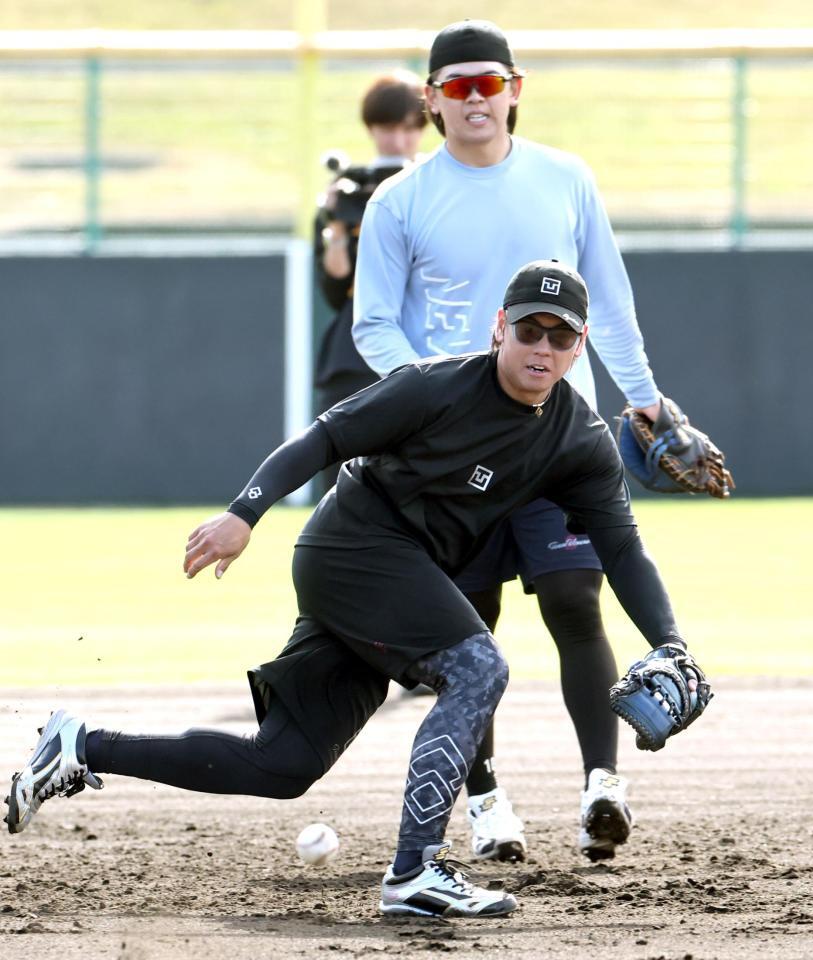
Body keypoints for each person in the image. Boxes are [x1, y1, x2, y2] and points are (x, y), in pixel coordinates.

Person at [5, 260, 695, 920]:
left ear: (578, 347)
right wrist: (244, 513)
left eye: (559, 334)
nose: (541, 346)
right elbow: (324, 438)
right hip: (354, 546)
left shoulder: (578, 437)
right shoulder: (435, 386)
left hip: (392, 577)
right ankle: (415, 870)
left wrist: (671, 643)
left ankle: (81, 747)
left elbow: (622, 547)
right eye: (528, 328)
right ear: (498, 327)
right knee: (477, 666)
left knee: (282, 763)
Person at [352, 19, 663, 864]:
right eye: (456, 87)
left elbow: (611, 305)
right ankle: (486, 803)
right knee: (468, 632)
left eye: (488, 83)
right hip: (451, 455)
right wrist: (436, 400)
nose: (475, 98)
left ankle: (603, 786)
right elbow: (373, 326)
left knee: (573, 601)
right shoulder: (399, 200)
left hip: (560, 437)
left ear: (515, 89)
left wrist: (646, 405)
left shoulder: (564, 178)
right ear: (431, 101)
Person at [313, 70, 427, 494]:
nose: (397, 141)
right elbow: (333, 288)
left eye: (408, 129)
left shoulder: (436, 187)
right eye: (386, 128)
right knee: (339, 484)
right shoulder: (350, 192)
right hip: (354, 353)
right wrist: (336, 225)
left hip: (424, 344)